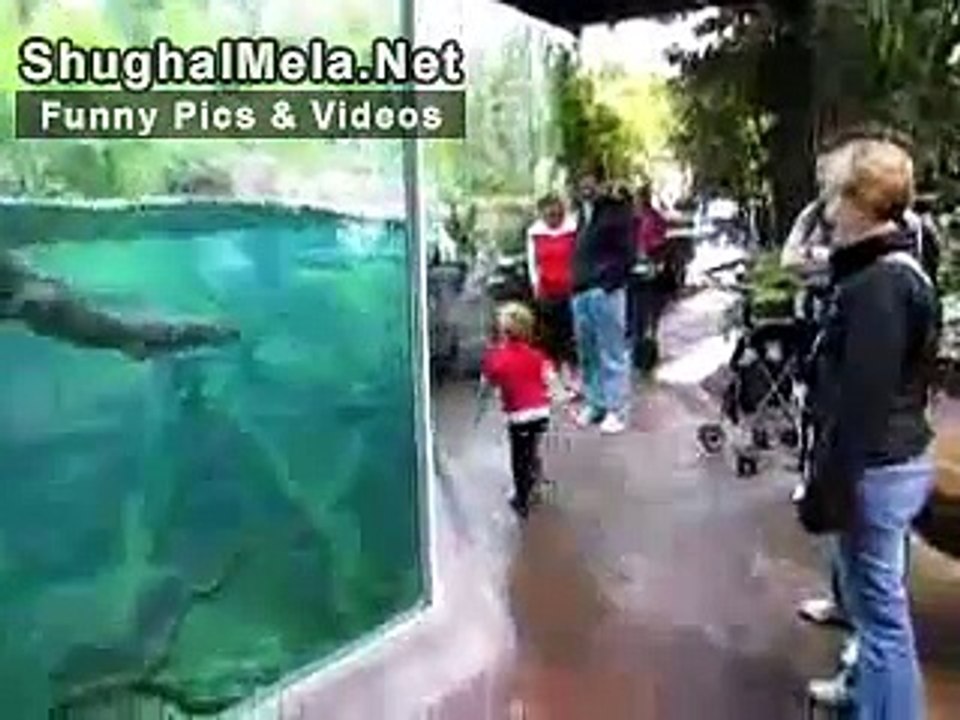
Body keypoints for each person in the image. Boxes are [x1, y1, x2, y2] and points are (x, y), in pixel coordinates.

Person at [798, 136, 939, 719]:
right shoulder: (887, 269)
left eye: (833, 197)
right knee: (867, 602)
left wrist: (828, 488)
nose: (828, 211)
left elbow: (864, 402)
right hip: (888, 461)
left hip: (878, 467)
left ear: (859, 202)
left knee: (882, 619)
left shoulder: (879, 284)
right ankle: (863, 693)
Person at [0, 252, 239, 359]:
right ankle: (208, 333)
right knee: (132, 340)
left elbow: (44, 291)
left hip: (68, 315)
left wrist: (29, 299)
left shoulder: (23, 281)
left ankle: (210, 331)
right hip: (61, 320)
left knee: (132, 335)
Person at [481, 302, 565, 519]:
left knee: (518, 456)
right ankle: (535, 478)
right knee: (531, 447)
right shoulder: (538, 355)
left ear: (502, 330)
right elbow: (552, 381)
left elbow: (487, 384)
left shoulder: (496, 357)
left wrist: (482, 405)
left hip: (519, 415)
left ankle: (522, 498)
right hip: (541, 412)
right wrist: (560, 399)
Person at [569, 170, 636, 435]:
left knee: (611, 351)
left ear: (600, 183)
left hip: (605, 290)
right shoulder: (583, 214)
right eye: (580, 182)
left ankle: (616, 410)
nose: (584, 186)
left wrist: (609, 281)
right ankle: (595, 403)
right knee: (588, 352)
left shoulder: (616, 211)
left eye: (589, 181)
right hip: (582, 290)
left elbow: (627, 253)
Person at [526, 193, 578, 389]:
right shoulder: (535, 232)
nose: (553, 217)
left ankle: (573, 378)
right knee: (550, 338)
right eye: (548, 213)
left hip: (571, 289)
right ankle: (554, 380)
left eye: (557, 212)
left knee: (571, 336)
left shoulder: (573, 229)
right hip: (547, 291)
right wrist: (535, 286)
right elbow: (533, 263)